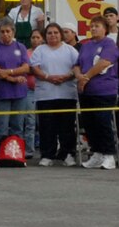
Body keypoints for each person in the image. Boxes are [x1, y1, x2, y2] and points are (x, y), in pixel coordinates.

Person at [29, 22, 81, 167]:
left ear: (61, 34)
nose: (53, 35)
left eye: (56, 32)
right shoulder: (40, 50)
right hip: (45, 95)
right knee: (47, 126)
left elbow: (77, 67)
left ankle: (67, 154)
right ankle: (47, 154)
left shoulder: (70, 50)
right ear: (45, 36)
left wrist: (66, 77)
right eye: (50, 33)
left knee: (67, 127)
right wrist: (48, 77)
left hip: (67, 94)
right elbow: (35, 68)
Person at [74, 14, 119, 170]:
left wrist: (86, 77)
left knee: (102, 122)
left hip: (104, 90)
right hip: (86, 91)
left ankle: (109, 154)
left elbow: (104, 63)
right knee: (89, 123)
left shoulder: (110, 44)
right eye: (92, 26)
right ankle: (97, 152)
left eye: (97, 26)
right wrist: (79, 76)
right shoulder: (86, 45)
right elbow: (77, 64)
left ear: (105, 29)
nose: (93, 29)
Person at [0, 21, 34, 162]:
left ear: (13, 32)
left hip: (20, 94)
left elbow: (26, 68)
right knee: (2, 126)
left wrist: (9, 72)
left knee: (18, 125)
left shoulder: (21, 47)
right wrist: (14, 79)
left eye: (8, 31)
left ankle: (16, 154)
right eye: (2, 31)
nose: (6, 34)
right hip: (2, 93)